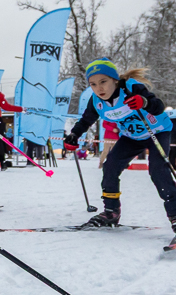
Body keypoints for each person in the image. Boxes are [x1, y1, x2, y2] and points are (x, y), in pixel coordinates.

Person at [63, 59, 176, 239]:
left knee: (157, 170)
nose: (99, 88)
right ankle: (111, 212)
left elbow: (158, 107)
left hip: (157, 131)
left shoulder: (131, 88)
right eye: (93, 84)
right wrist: (74, 135)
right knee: (111, 166)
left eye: (103, 82)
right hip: (131, 137)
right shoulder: (96, 102)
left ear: (115, 80)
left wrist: (144, 102)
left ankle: (175, 216)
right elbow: (85, 121)